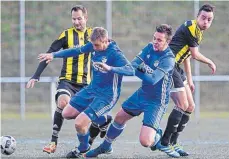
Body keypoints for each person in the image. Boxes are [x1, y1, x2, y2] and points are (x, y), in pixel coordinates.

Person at [85, 24, 180, 158]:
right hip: (142, 94)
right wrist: (111, 68)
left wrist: (137, 69)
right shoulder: (149, 47)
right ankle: (105, 147)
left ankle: (158, 137)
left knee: (145, 141)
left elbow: (153, 79)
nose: (155, 42)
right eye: (154, 38)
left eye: (159, 40)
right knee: (119, 117)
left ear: (168, 42)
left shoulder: (168, 59)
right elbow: (131, 66)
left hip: (156, 102)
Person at [37, 27, 135, 158]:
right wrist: (53, 55)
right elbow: (76, 50)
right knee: (66, 113)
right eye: (93, 45)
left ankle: (83, 147)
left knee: (79, 123)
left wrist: (110, 68)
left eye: (97, 45)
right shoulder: (94, 45)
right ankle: (104, 120)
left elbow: (131, 70)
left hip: (107, 96)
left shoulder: (115, 54)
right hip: (92, 89)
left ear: (106, 41)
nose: (94, 48)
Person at [26, 5, 111, 154]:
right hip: (68, 81)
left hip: (87, 84)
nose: (76, 22)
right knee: (63, 102)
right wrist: (36, 75)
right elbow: (49, 54)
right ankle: (53, 141)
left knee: (89, 116)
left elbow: (109, 49)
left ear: (86, 18)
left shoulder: (93, 34)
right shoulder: (66, 35)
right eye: (74, 19)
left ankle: (100, 125)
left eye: (79, 18)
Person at [155, 4, 216, 157]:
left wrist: (190, 80)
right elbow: (195, 54)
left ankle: (174, 142)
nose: (206, 22)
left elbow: (188, 57)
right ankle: (165, 142)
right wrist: (210, 61)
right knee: (182, 104)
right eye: (203, 18)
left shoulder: (198, 32)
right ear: (197, 16)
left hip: (177, 67)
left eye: (209, 20)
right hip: (169, 65)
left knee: (190, 107)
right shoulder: (191, 27)